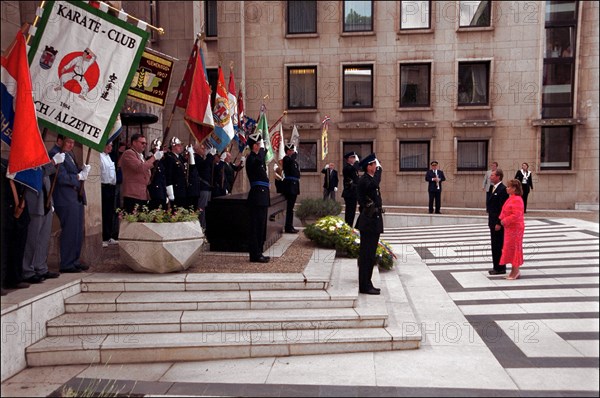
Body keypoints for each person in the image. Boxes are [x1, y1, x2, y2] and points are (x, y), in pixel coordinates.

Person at [48, 135, 91, 273]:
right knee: (70, 231)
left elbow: (73, 172)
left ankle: (75, 260)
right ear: (59, 141)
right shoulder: (55, 154)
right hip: (64, 197)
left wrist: (82, 171)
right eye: (68, 142)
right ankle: (67, 263)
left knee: (77, 231)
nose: (71, 145)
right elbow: (61, 178)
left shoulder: (69, 154)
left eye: (73, 142)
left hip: (75, 196)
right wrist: (78, 177)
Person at [21, 152, 65, 283]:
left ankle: (41, 267)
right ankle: (27, 270)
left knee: (43, 239)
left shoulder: (40, 158)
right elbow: (36, 175)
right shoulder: (25, 158)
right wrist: (52, 163)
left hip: (45, 203)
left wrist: (51, 202)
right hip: (35, 204)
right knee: (32, 239)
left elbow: (47, 181)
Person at [1, 158, 31, 292]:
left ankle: (14, 278)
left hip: (17, 209)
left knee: (16, 246)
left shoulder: (6, 162)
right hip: (5, 210)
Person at [356, 153, 384, 295]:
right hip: (368, 221)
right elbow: (374, 185)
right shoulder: (365, 180)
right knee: (366, 255)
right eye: (374, 165)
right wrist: (379, 171)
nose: (376, 167)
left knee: (370, 254)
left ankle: (368, 282)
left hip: (373, 220)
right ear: (369, 166)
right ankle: (364, 285)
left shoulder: (369, 179)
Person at [119, 133, 163, 213]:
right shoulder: (129, 153)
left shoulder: (140, 155)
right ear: (134, 143)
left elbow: (146, 171)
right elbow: (140, 167)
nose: (144, 145)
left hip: (142, 194)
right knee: (133, 221)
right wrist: (154, 158)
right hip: (132, 194)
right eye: (142, 143)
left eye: (145, 143)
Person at [245, 131, 271, 263]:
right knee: (255, 226)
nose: (260, 146)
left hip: (262, 196)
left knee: (261, 226)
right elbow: (259, 159)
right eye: (258, 144)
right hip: (257, 196)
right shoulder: (251, 159)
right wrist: (262, 150)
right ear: (254, 146)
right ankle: (255, 254)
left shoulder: (258, 159)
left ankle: (259, 251)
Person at [499, 179, 526, 280]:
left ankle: (515, 271)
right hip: (510, 228)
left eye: (509, 187)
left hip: (515, 228)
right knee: (510, 248)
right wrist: (502, 219)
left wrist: (505, 220)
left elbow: (516, 215)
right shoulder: (512, 198)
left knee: (514, 248)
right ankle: (513, 271)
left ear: (514, 188)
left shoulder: (517, 199)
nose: (507, 188)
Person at [487, 168, 509, 275]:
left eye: (492, 175)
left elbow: (502, 208)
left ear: (498, 176)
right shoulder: (493, 188)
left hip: (498, 223)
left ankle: (500, 267)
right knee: (494, 245)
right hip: (492, 221)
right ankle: (496, 266)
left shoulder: (502, 189)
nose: (490, 177)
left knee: (498, 245)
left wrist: (498, 223)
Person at [194, 143, 216, 228]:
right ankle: (201, 228)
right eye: (202, 148)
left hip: (207, 187)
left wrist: (210, 156)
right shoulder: (196, 158)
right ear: (197, 150)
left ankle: (204, 228)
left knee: (206, 210)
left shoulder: (201, 158)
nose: (204, 150)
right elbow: (204, 166)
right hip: (202, 187)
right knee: (202, 210)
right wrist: (210, 155)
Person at [100, 142, 118, 247]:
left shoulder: (109, 157)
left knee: (110, 212)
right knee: (105, 212)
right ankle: (104, 237)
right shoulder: (100, 156)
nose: (110, 147)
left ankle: (109, 235)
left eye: (111, 145)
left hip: (111, 186)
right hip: (104, 186)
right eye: (108, 145)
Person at [163, 137, 188, 209]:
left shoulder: (180, 158)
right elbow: (168, 176)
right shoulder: (170, 158)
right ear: (173, 146)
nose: (181, 147)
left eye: (181, 145)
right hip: (175, 190)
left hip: (182, 189)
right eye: (179, 145)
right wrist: (170, 193)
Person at [282, 143, 301, 233]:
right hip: (289, 186)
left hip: (294, 185)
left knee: (291, 208)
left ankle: (290, 225)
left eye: (293, 150)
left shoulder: (293, 161)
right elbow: (290, 166)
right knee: (289, 208)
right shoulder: (286, 159)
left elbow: (297, 173)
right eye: (291, 150)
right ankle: (288, 227)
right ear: (288, 151)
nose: (293, 152)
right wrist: (293, 157)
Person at [147, 139, 168, 210]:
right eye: (160, 150)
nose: (162, 153)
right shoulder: (150, 160)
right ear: (155, 150)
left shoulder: (161, 162)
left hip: (161, 191)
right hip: (155, 192)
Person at [342, 152, 360, 227]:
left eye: (354, 157)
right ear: (348, 159)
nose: (354, 159)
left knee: (352, 212)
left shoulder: (352, 168)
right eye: (352, 157)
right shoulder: (347, 167)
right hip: (349, 193)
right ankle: (348, 226)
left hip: (353, 193)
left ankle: (350, 226)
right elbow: (353, 169)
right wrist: (357, 162)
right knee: (349, 212)